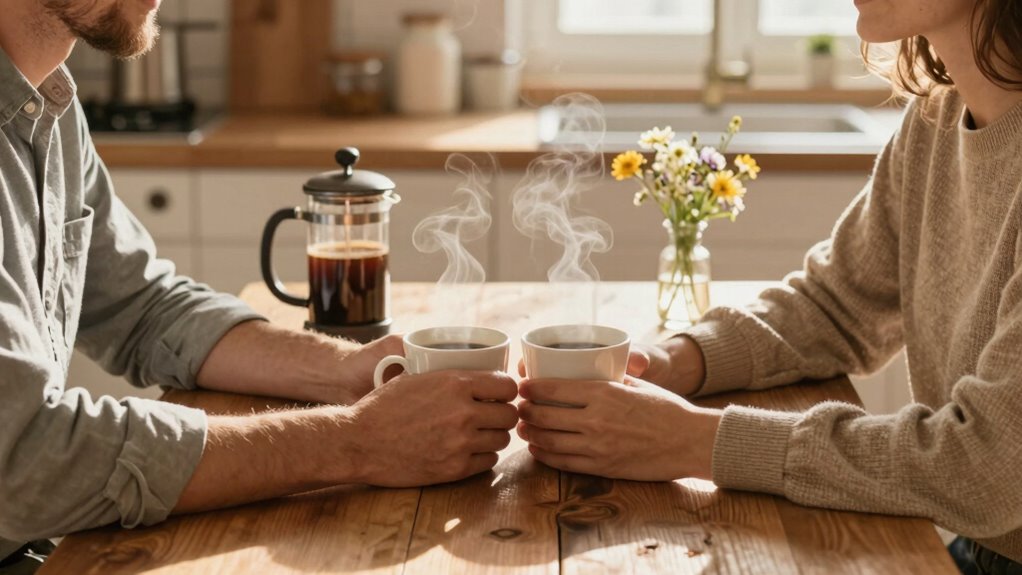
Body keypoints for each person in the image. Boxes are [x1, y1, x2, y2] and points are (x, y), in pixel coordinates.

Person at [0, 0, 518, 570]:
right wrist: (358, 441)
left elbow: (141, 307)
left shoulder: (47, 103)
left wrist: (345, 370)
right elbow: (25, 457)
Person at [516, 0, 1022, 572]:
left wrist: (692, 441)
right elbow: (837, 306)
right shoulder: (936, 120)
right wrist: (667, 362)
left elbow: (989, 467)